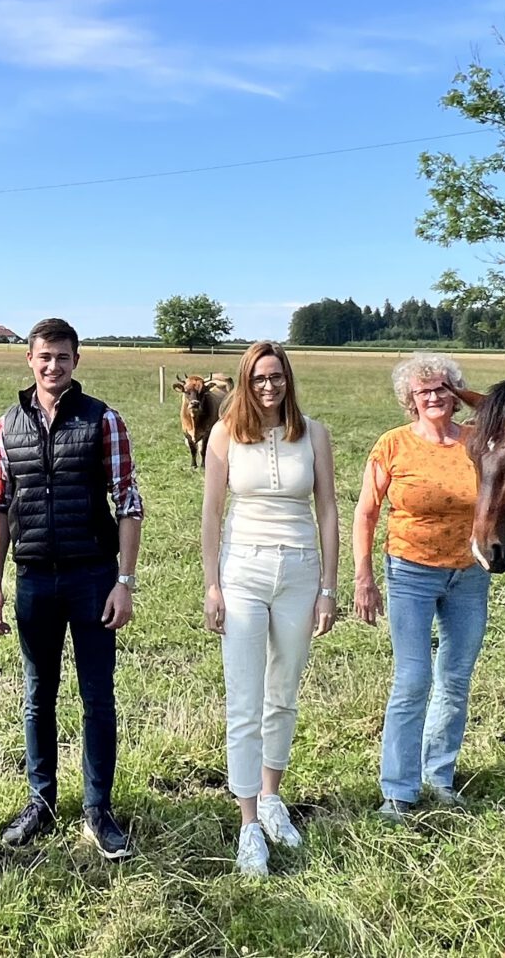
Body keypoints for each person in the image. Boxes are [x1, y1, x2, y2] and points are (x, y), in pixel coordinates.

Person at [0, 317, 143, 859]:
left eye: (63, 357)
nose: (53, 366)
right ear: (29, 360)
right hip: (32, 580)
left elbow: (128, 502)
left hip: (92, 577)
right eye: (44, 357)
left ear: (77, 361)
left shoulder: (103, 420)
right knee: (37, 696)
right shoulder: (7, 425)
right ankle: (42, 801)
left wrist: (124, 581)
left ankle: (99, 809)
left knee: (97, 696)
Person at [201, 341, 339, 877]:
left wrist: (329, 586)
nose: (267, 386)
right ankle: (248, 824)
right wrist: (212, 586)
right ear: (244, 380)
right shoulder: (225, 435)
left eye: (276, 376)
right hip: (243, 571)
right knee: (244, 697)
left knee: (283, 693)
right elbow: (212, 514)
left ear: (288, 378)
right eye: (258, 377)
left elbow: (327, 509)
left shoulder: (315, 434)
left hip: (301, 570)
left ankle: (273, 797)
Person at [352, 351, 489, 821]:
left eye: (441, 388)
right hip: (409, 571)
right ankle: (398, 790)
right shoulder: (392, 445)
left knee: (455, 677)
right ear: (409, 400)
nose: (432, 396)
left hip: (468, 575)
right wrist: (363, 577)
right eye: (422, 390)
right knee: (413, 679)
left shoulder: (476, 443)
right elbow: (366, 513)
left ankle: (440, 777)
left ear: (455, 394)